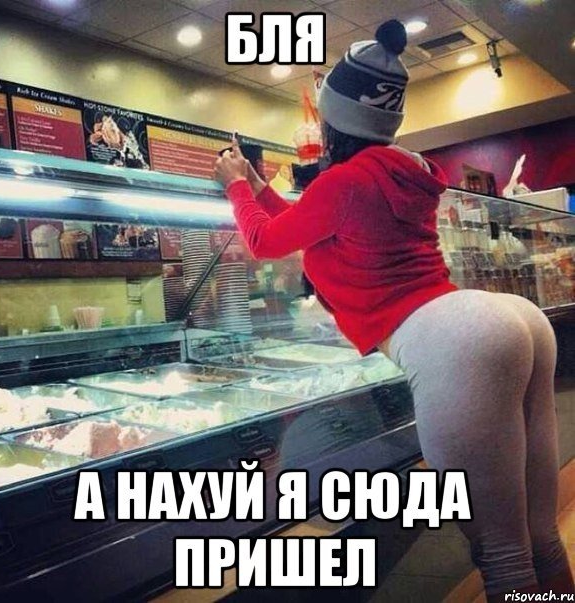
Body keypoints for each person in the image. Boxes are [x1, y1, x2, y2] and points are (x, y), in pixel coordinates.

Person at [214, 18, 573, 601]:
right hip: (506, 320)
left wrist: (234, 187)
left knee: (503, 556)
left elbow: (263, 241)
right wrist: (257, 185)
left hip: (453, 341)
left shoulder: (342, 183)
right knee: (540, 537)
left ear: (334, 119)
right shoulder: (406, 168)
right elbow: (305, 222)